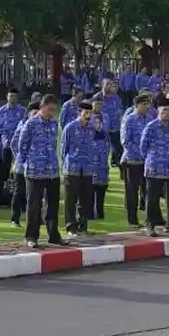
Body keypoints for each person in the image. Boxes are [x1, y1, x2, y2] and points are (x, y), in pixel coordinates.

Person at [17, 95, 63, 247]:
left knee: (53, 205)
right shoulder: (31, 124)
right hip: (35, 170)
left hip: (52, 171)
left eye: (54, 110)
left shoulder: (54, 124)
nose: (51, 113)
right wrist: (26, 163)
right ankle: (31, 236)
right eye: (49, 109)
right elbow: (21, 146)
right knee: (34, 205)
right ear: (42, 107)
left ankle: (53, 235)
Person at [140, 97, 169, 237]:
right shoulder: (151, 127)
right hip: (154, 168)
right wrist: (152, 158)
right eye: (164, 110)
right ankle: (150, 225)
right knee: (152, 198)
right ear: (158, 110)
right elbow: (143, 147)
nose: (167, 113)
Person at [61, 100, 96, 236]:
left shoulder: (92, 128)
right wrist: (65, 165)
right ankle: (71, 227)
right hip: (72, 167)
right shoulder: (70, 128)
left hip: (87, 167)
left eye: (90, 113)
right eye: (85, 113)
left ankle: (83, 226)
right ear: (79, 113)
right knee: (71, 199)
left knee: (85, 199)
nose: (88, 116)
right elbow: (64, 148)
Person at [120, 93, 153, 227]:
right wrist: (140, 153)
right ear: (137, 105)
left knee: (149, 191)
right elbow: (125, 141)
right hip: (132, 161)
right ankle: (132, 220)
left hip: (146, 161)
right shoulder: (129, 120)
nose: (147, 107)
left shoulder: (149, 119)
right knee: (132, 191)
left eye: (148, 104)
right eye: (144, 104)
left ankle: (150, 218)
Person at [9, 101, 39, 227]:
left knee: (34, 194)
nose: (36, 115)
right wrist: (20, 157)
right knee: (19, 192)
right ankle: (14, 219)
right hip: (22, 167)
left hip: (36, 167)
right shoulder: (23, 126)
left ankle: (34, 218)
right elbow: (14, 144)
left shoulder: (41, 126)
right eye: (34, 113)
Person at [90, 112, 110, 220]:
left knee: (101, 192)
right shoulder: (89, 135)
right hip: (92, 169)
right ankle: (91, 213)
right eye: (95, 123)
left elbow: (108, 150)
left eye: (99, 122)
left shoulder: (105, 135)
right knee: (91, 193)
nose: (98, 125)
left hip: (102, 169)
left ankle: (100, 213)